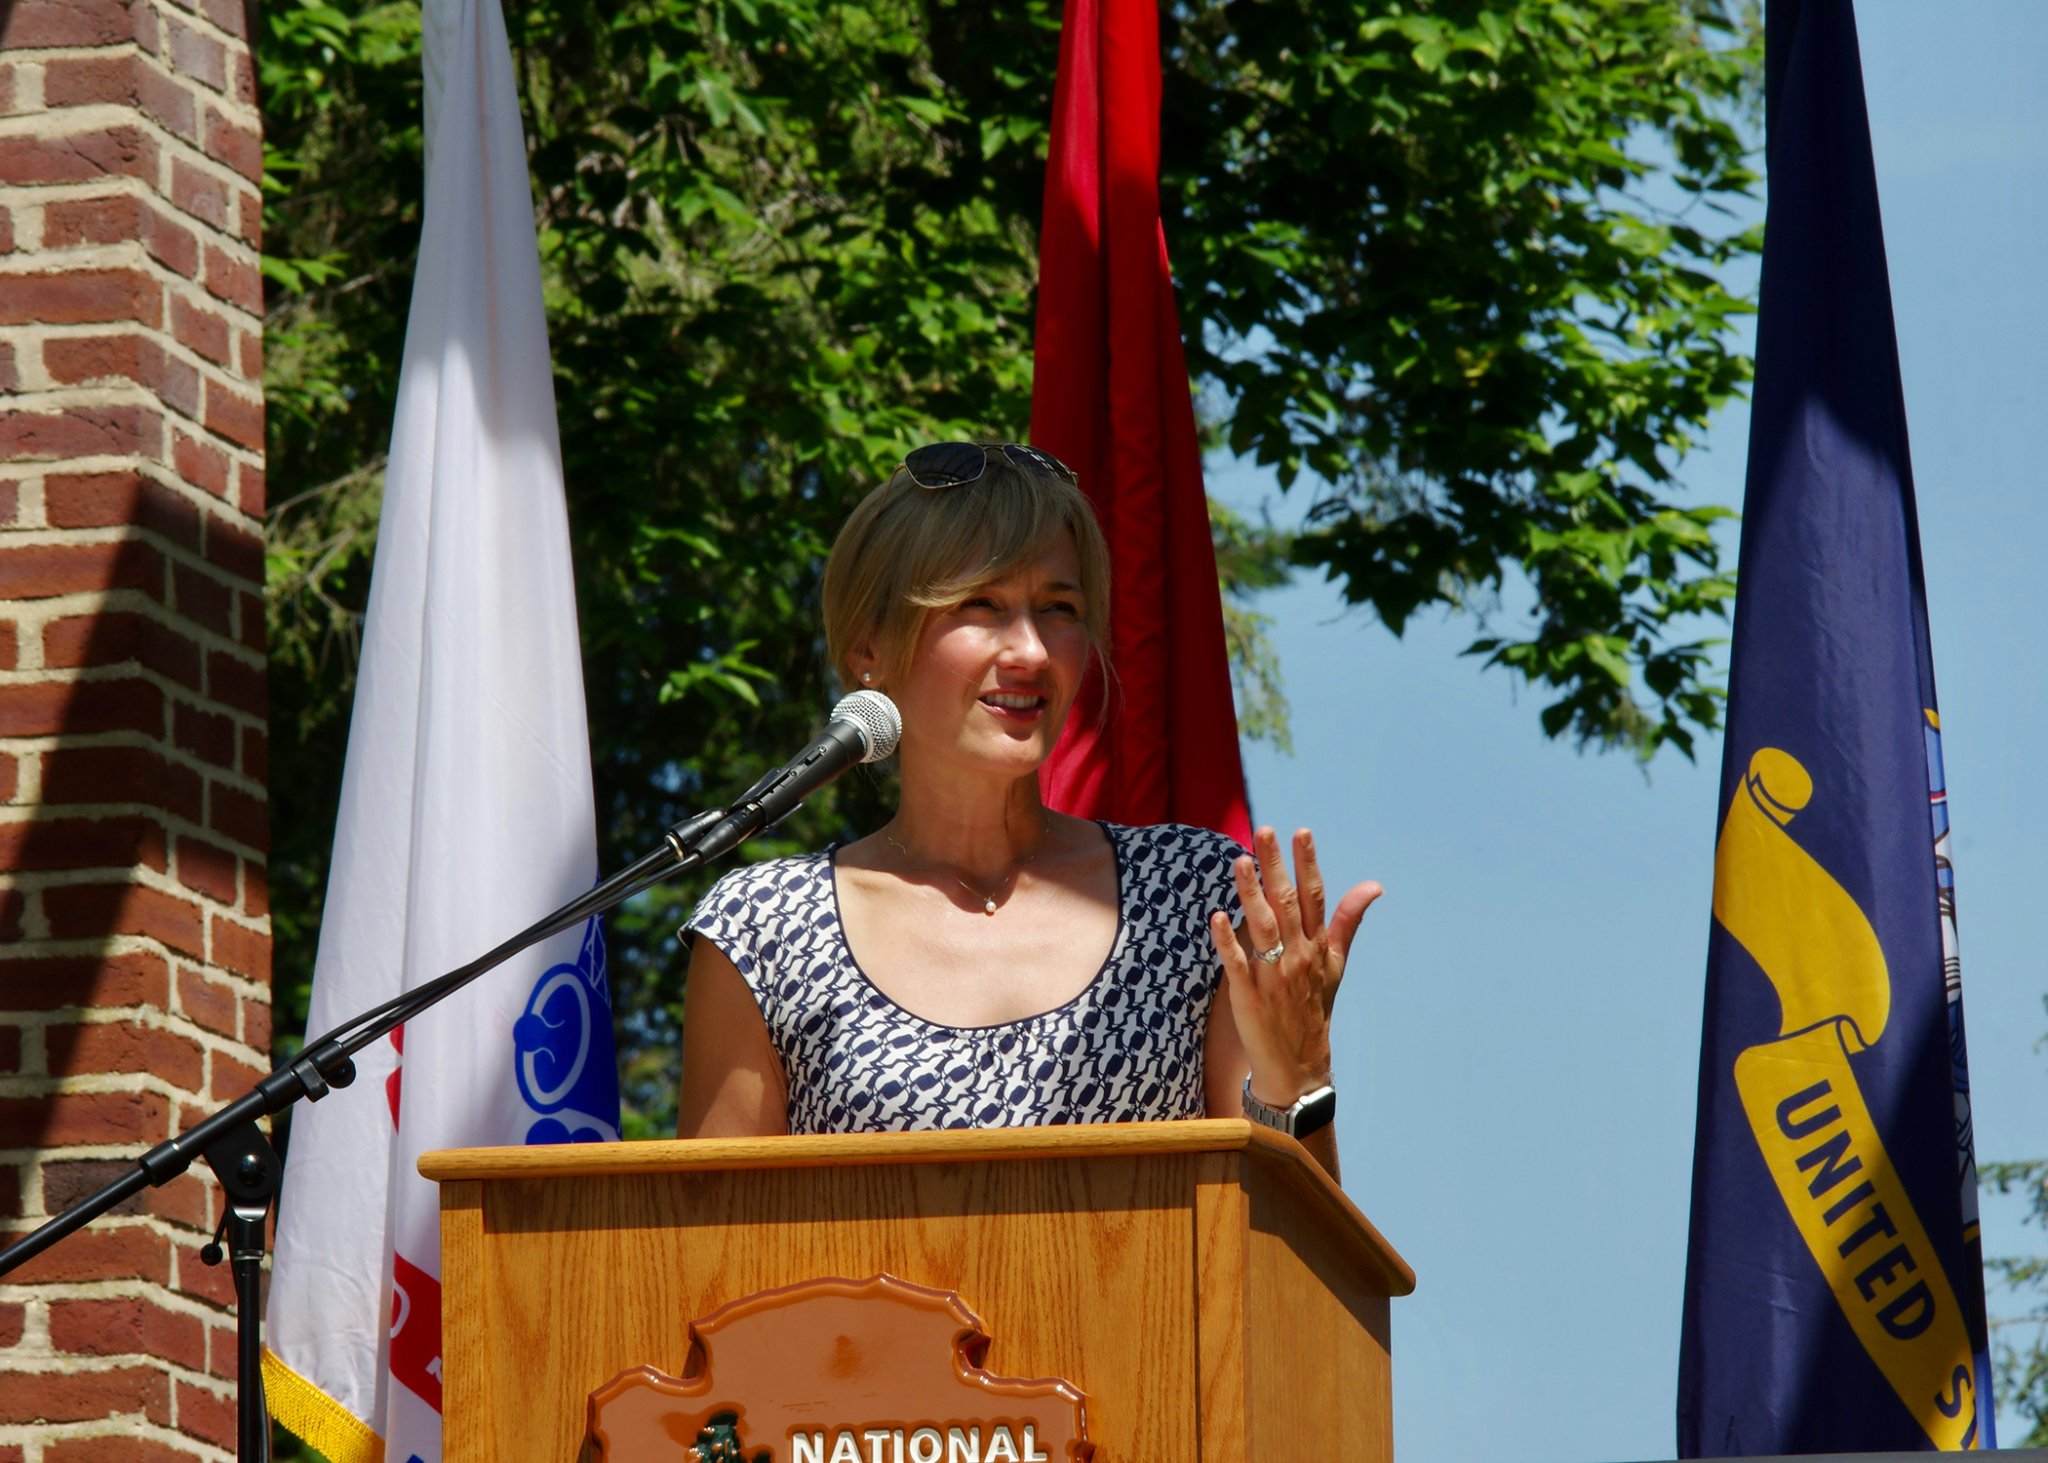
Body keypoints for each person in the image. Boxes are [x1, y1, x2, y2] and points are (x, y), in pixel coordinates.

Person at [677, 442, 1380, 1179]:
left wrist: (1299, 1077)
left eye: (1060, 609)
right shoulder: (765, 931)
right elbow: (713, 1260)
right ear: (869, 648)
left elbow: (1288, 1265)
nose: (1032, 650)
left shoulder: (1194, 896)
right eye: (982, 603)